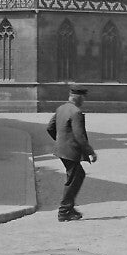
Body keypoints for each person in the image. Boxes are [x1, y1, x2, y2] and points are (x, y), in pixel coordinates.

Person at [46, 84, 97, 222]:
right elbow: (79, 136)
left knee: (77, 175)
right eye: (83, 98)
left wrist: (60, 140)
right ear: (78, 97)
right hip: (71, 151)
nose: (84, 101)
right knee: (74, 178)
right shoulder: (76, 112)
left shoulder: (61, 108)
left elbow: (50, 127)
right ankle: (64, 211)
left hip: (62, 150)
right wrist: (91, 152)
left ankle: (69, 207)